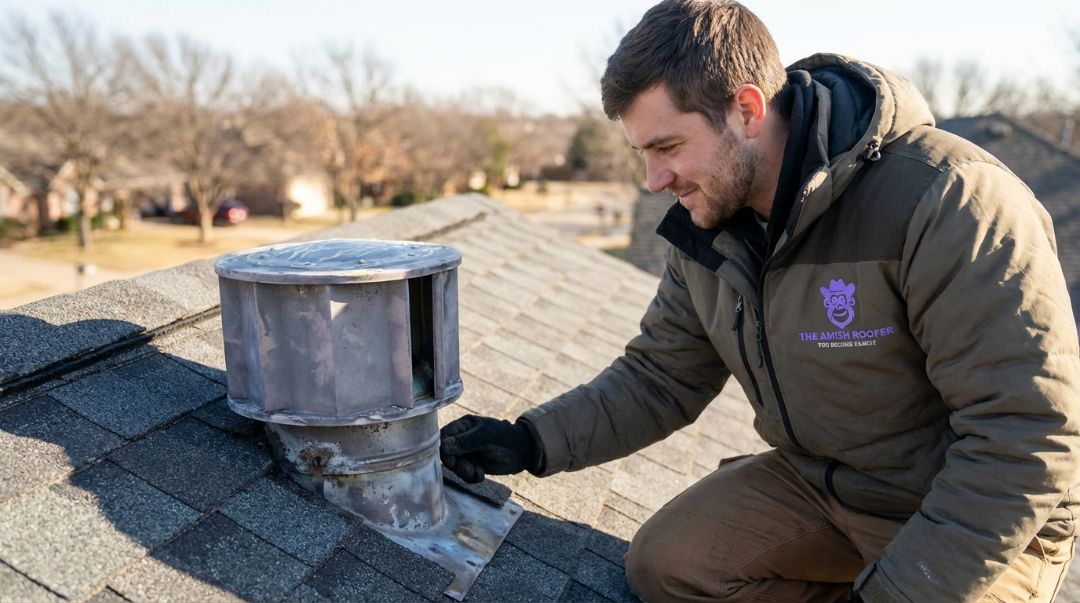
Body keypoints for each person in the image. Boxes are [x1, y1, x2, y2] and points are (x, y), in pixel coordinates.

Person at [439, 1, 1080, 601]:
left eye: (666, 148)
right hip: (824, 487)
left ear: (747, 110)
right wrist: (531, 441)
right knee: (665, 565)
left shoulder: (949, 201)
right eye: (643, 153)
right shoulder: (709, 224)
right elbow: (661, 376)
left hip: (977, 513)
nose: (654, 181)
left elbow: (1027, 436)